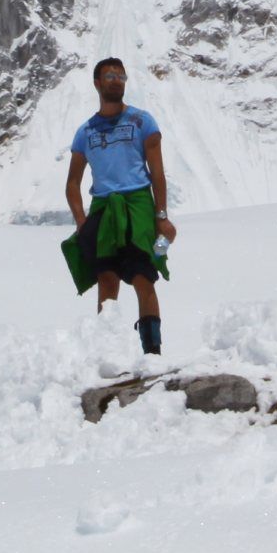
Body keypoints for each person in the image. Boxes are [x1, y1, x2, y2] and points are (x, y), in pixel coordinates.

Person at [65, 57, 176, 355]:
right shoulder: (85, 132)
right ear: (97, 83)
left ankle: (152, 351)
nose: (116, 80)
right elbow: (73, 182)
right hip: (104, 208)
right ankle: (107, 351)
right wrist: (81, 221)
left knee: (143, 274)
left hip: (138, 203)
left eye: (120, 76)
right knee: (107, 277)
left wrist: (161, 215)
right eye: (109, 75)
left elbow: (157, 173)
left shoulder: (142, 122)